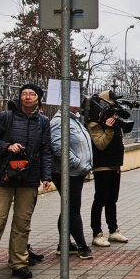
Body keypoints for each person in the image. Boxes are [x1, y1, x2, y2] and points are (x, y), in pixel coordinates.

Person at [0, 83, 52, 279]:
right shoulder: (5, 116)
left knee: (22, 224)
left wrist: (47, 176)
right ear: (19, 97)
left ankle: (19, 263)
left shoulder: (43, 122)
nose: (27, 97)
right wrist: (7, 146)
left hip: (29, 178)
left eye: (32, 94)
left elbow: (46, 151)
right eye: (24, 93)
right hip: (2, 178)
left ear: (38, 98)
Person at [50, 105, 94, 259]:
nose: (81, 105)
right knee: (73, 209)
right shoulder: (59, 122)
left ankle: (64, 244)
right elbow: (58, 147)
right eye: (76, 101)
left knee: (68, 208)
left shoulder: (74, 120)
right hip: (66, 172)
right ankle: (82, 246)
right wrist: (77, 163)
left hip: (76, 172)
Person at [88, 90, 129, 247]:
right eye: (112, 102)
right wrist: (109, 129)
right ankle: (97, 233)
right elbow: (100, 144)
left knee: (112, 199)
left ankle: (113, 230)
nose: (115, 105)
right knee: (100, 199)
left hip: (115, 165)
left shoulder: (112, 119)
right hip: (102, 166)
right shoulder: (94, 122)